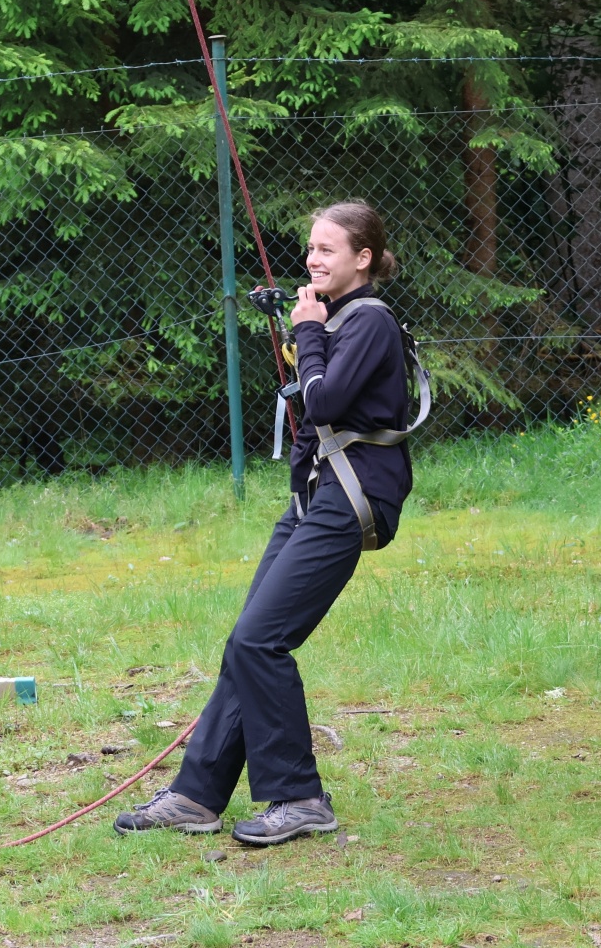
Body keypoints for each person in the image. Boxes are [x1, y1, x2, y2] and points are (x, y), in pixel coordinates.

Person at [115, 201, 413, 846]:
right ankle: (197, 796)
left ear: (362, 258)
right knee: (246, 642)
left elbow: (324, 400)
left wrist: (308, 332)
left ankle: (300, 798)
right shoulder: (337, 319)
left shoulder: (369, 321)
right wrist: (310, 333)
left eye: (327, 249)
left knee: (260, 641)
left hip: (352, 497)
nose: (313, 259)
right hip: (315, 497)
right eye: (311, 248)